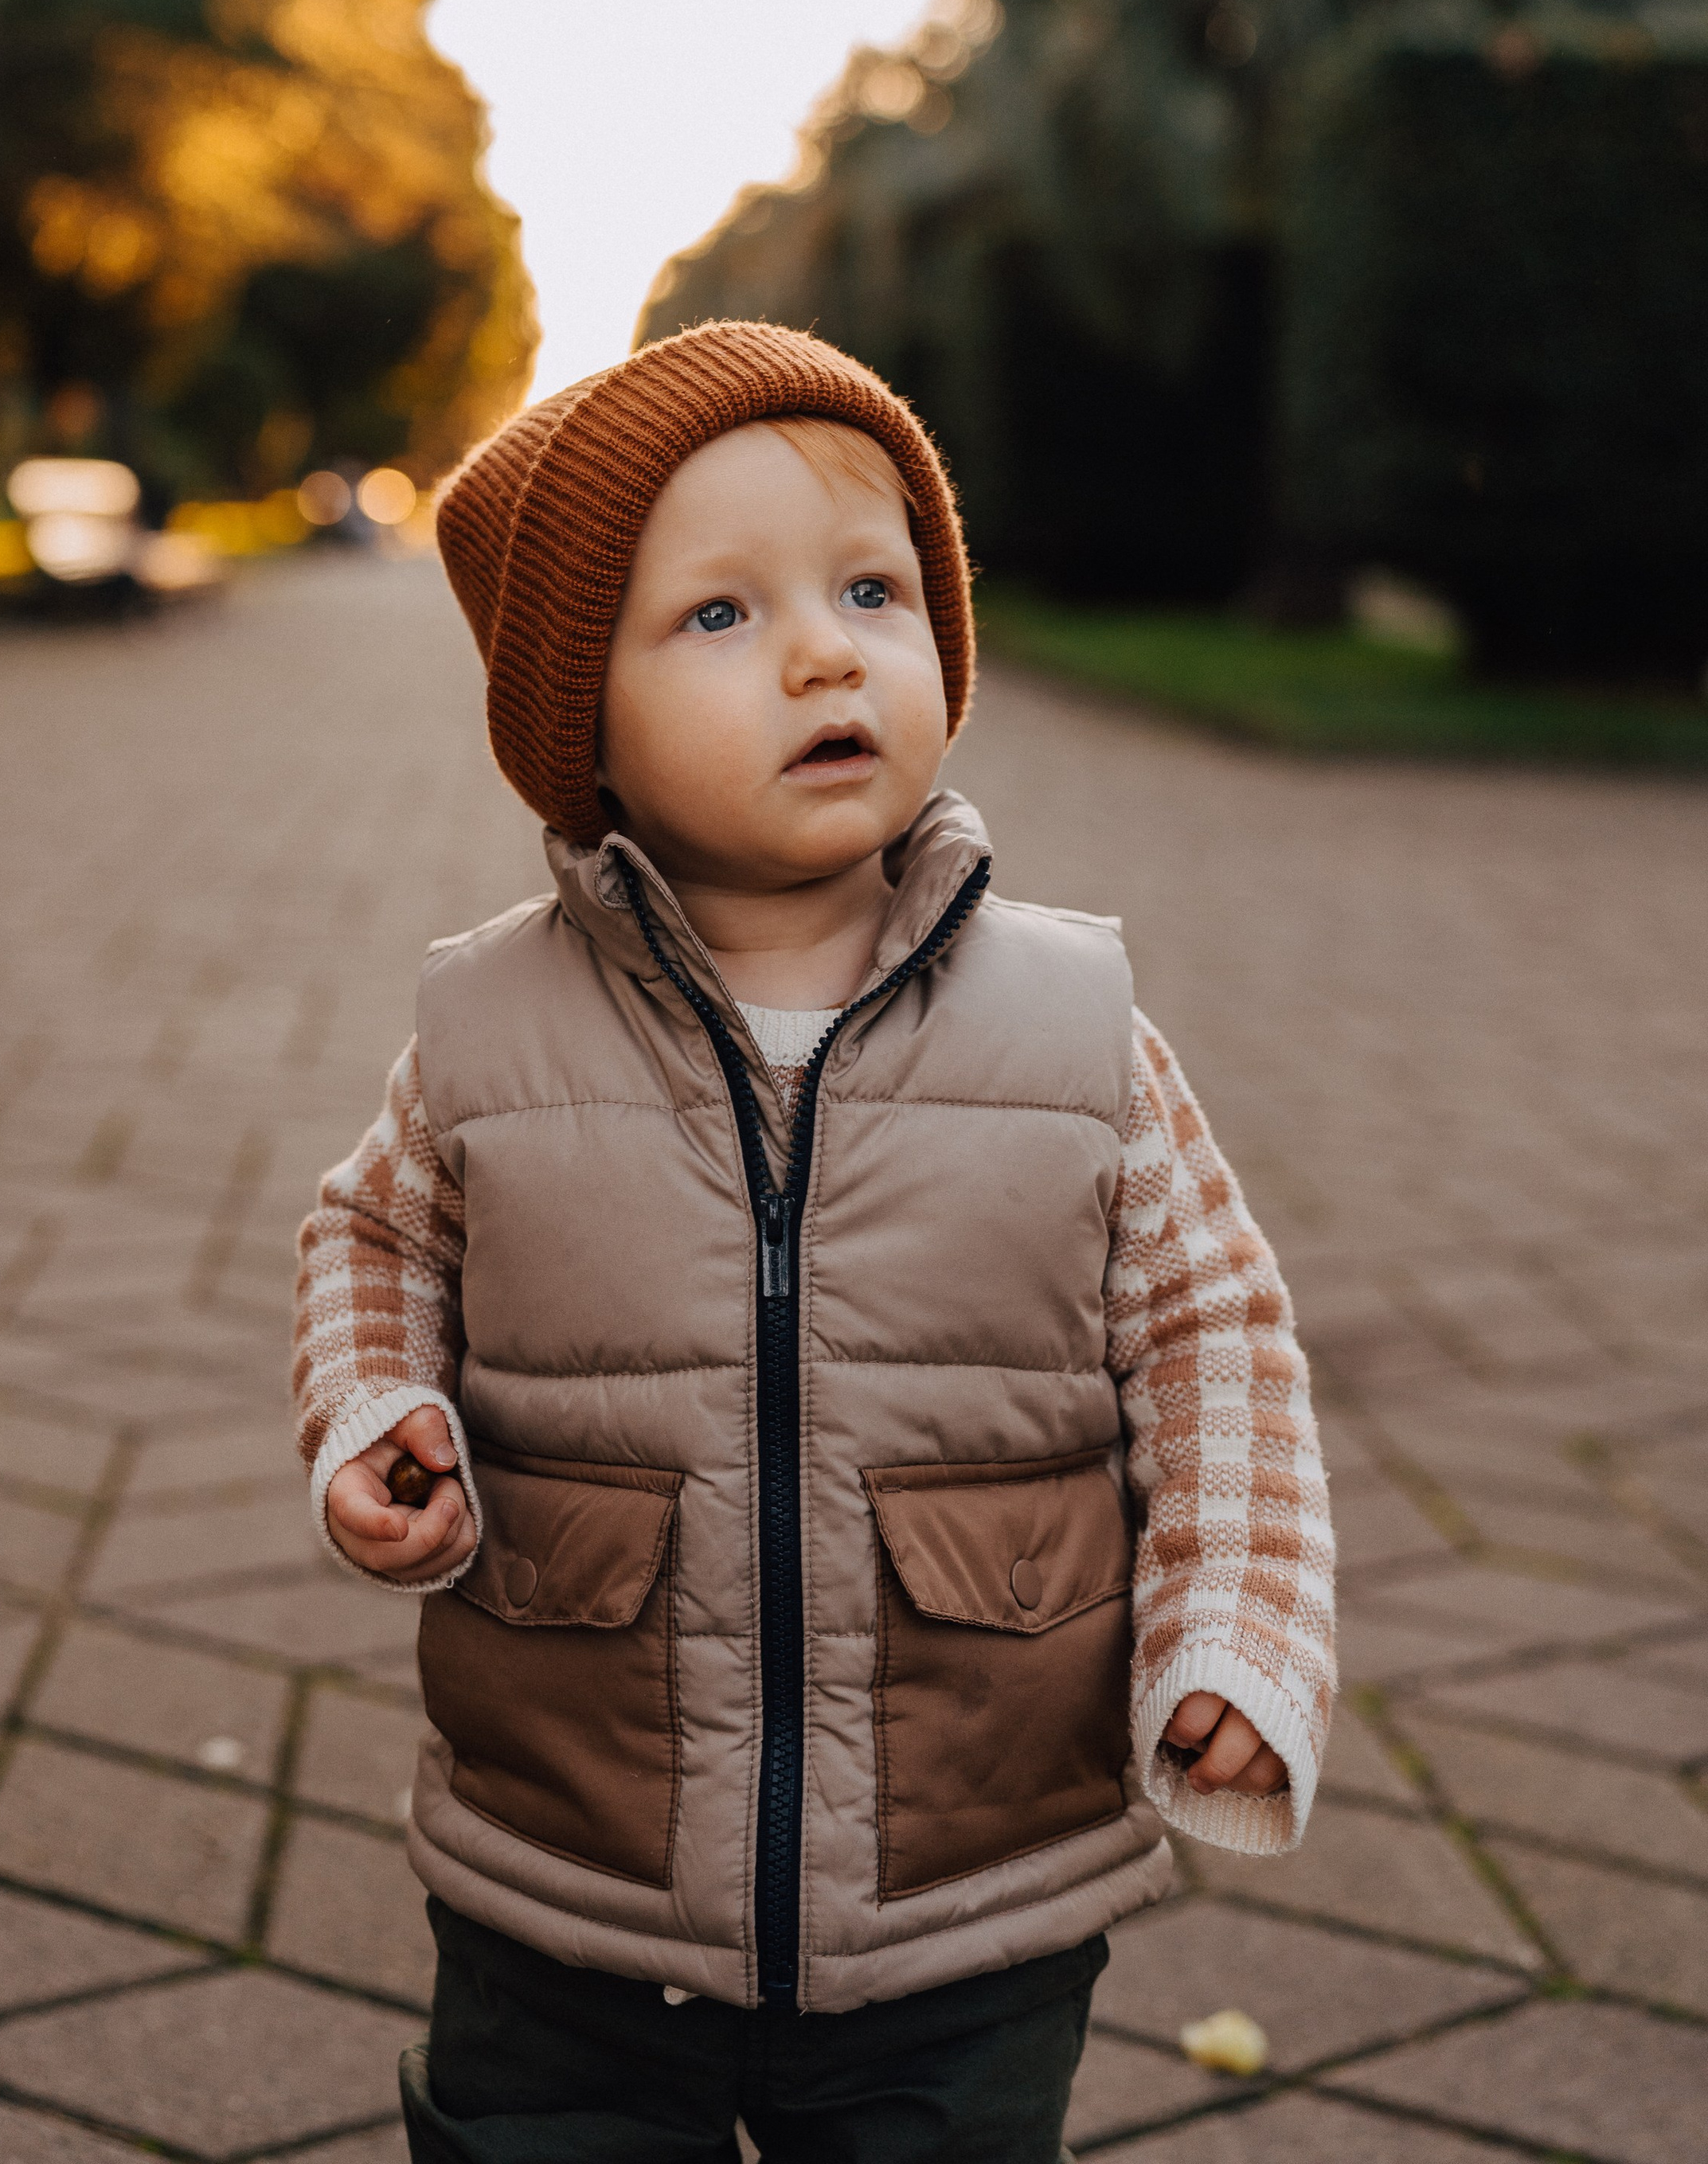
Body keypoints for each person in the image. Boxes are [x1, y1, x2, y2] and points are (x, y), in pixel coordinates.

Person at [291, 321, 1335, 2162]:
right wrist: (377, 1406)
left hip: (970, 1879)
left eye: (874, 587)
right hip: (566, 1875)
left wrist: (1235, 1639)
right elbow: (373, 1238)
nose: (821, 649)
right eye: (718, 615)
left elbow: (1211, 1344)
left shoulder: (1076, 1033)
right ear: (574, 725)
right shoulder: (484, 1036)